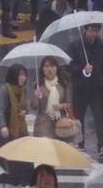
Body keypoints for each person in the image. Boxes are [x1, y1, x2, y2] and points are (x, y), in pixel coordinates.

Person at [0, 64, 33, 186]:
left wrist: (25, 112)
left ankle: (20, 183)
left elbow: (26, 108)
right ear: (13, 75)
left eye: (24, 75)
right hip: (4, 133)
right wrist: (3, 126)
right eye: (20, 75)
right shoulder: (4, 90)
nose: (23, 78)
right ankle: (5, 184)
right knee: (4, 160)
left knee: (20, 161)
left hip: (19, 132)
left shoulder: (23, 91)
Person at [66, 23, 103, 152]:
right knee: (78, 117)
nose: (94, 34)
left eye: (97, 31)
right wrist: (82, 70)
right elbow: (68, 65)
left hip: (97, 89)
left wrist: (96, 72)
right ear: (85, 29)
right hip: (80, 88)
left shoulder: (101, 45)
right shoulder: (75, 45)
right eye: (92, 30)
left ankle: (101, 145)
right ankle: (80, 144)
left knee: (99, 117)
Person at [31, 56, 72, 140]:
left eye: (52, 66)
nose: (50, 69)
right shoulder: (38, 85)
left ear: (57, 68)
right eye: (46, 67)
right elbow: (34, 106)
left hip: (60, 123)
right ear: (42, 69)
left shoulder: (63, 85)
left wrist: (61, 106)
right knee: (45, 148)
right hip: (43, 124)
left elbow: (69, 104)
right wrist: (35, 95)